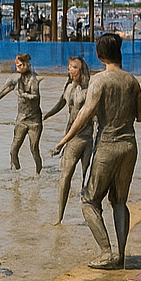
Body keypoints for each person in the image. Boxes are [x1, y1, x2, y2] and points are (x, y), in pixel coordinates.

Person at [53, 33, 141, 269]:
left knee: (89, 200)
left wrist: (64, 139)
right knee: (120, 201)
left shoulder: (100, 80)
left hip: (107, 145)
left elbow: (85, 115)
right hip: (129, 146)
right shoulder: (132, 80)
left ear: (99, 56)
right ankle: (122, 255)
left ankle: (106, 252)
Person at [43, 57, 93, 224]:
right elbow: (61, 104)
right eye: (69, 67)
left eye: (74, 67)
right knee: (64, 178)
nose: (71, 71)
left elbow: (97, 116)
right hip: (71, 138)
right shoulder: (69, 88)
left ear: (82, 70)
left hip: (87, 138)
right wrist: (46, 115)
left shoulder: (90, 90)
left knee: (87, 181)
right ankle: (59, 218)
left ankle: (90, 217)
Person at [0, 53, 44, 172]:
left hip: (34, 121)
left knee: (34, 149)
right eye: (17, 65)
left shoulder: (33, 79)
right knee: (13, 150)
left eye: (21, 65)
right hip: (21, 119)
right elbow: (4, 90)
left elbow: (35, 96)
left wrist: (23, 94)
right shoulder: (15, 78)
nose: (18, 67)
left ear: (27, 65)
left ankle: (39, 173)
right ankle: (16, 173)